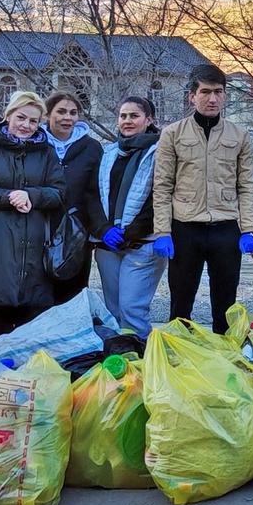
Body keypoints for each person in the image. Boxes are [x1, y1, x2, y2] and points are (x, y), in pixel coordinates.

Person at [151, 63, 253, 333]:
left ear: (225, 95)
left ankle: (223, 358)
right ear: (192, 95)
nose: (212, 99)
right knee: (181, 305)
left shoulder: (240, 135)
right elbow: (162, 186)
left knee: (225, 304)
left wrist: (248, 229)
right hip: (186, 228)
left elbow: (246, 187)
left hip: (225, 229)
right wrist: (162, 231)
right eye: (206, 92)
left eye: (218, 92)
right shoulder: (173, 134)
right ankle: (180, 358)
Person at [0, 91, 67, 340]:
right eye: (21, 117)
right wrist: (9, 196)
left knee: (31, 338)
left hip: (35, 257)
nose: (26, 125)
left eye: (33, 121)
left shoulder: (47, 155)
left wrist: (31, 195)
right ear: (7, 115)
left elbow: (59, 193)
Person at [91, 96, 165, 334]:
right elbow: (94, 194)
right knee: (113, 310)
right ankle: (120, 362)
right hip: (108, 244)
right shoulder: (109, 153)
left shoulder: (161, 152)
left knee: (132, 309)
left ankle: (142, 361)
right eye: (123, 116)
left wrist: (132, 231)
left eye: (134, 116)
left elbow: (162, 196)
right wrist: (103, 229)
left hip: (142, 243)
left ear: (149, 119)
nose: (127, 121)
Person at [42, 92, 104, 304]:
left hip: (77, 234)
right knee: (39, 296)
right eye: (60, 111)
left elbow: (95, 193)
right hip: (38, 229)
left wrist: (97, 228)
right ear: (48, 114)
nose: (67, 117)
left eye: (73, 112)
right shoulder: (35, 143)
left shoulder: (92, 148)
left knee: (72, 296)